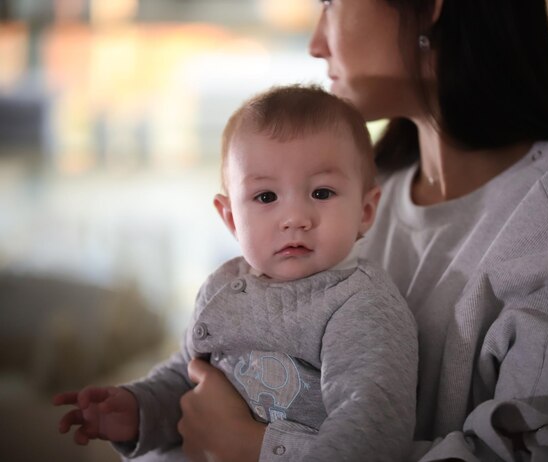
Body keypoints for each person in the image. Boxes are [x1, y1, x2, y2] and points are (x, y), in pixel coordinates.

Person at [173, 0, 548, 461]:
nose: (315, 45)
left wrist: (258, 449)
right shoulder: (352, 200)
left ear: (429, 9)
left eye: (330, 4)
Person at [53, 85, 419, 462]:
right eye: (265, 197)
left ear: (365, 210)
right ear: (230, 218)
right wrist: (136, 408)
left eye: (322, 193)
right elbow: (188, 375)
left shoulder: (360, 304)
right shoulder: (223, 287)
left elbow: (370, 430)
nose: (295, 218)